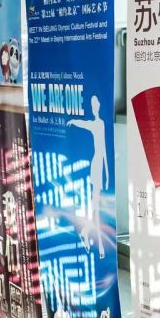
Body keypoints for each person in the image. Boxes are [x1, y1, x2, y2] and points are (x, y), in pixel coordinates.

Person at [68, 94, 109, 258]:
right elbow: (83, 123)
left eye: (96, 104)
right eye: (93, 105)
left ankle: (86, 231)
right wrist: (73, 121)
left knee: (96, 206)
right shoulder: (93, 124)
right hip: (95, 165)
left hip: (100, 166)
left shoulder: (101, 123)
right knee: (96, 207)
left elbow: (104, 149)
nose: (95, 107)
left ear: (98, 106)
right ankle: (100, 247)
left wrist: (107, 174)